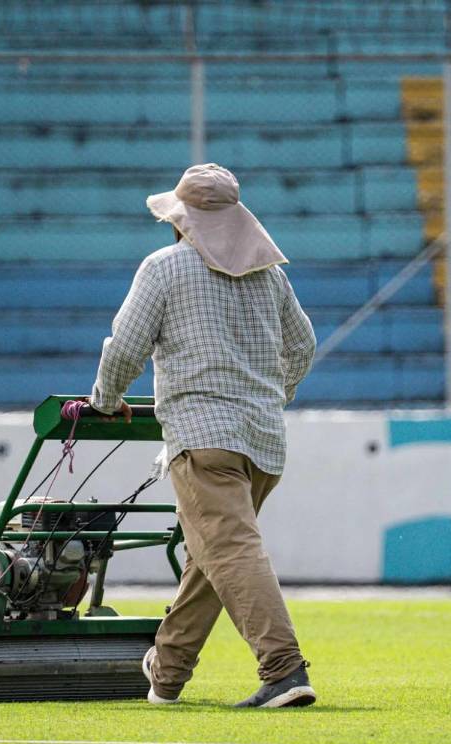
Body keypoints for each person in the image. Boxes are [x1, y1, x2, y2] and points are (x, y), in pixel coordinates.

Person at [86, 163, 317, 708]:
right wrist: (271, 394)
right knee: (210, 558)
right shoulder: (271, 276)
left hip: (203, 440)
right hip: (264, 444)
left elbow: (124, 349)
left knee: (230, 551)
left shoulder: (164, 268)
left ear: (181, 221)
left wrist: (106, 402)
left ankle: (283, 668)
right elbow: (303, 346)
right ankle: (166, 674)